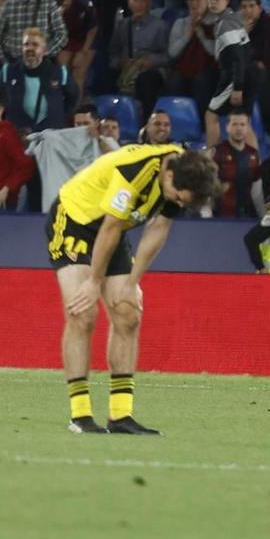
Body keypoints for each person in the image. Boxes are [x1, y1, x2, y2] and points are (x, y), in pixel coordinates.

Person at [50, 141, 220, 433]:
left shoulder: (182, 169)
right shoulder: (134, 174)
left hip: (113, 228)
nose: (179, 204)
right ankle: (80, 415)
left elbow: (159, 229)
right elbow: (109, 228)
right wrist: (94, 281)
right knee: (84, 314)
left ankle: (120, 416)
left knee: (128, 313)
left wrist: (132, 283)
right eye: (179, 199)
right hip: (76, 221)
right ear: (169, 178)